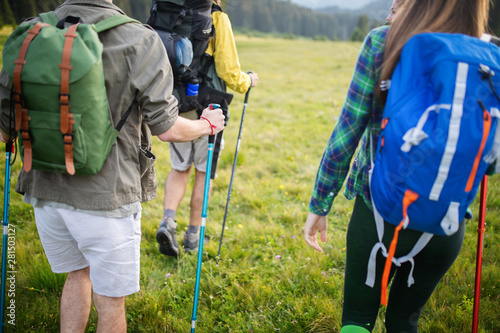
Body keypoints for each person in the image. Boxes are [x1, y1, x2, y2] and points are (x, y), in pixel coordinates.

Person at [0, 0, 225, 331]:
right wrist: (207, 125)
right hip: (106, 197)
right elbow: (168, 129)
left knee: (77, 274)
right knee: (111, 302)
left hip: (44, 192)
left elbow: (5, 128)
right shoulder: (138, 39)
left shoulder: (30, 33)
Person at [303, 0, 490, 332]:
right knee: (405, 322)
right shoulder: (488, 56)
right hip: (445, 222)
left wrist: (320, 202)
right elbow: (487, 162)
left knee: (358, 320)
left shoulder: (383, 42)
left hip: (378, 215)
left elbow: (347, 131)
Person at [156, 0, 259, 256]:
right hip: (209, 106)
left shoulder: (169, 10)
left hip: (177, 102)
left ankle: (168, 221)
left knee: (180, 168)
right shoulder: (215, 16)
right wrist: (248, 81)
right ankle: (193, 237)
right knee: (204, 172)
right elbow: (228, 69)